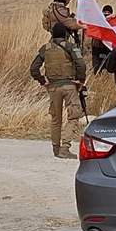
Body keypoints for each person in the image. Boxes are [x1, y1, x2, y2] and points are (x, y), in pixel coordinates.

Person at [30, 22, 87, 159]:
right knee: (74, 116)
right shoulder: (70, 46)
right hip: (69, 86)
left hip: (53, 87)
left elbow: (33, 69)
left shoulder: (45, 48)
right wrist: (80, 80)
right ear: (66, 34)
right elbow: (81, 64)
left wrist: (43, 81)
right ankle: (65, 147)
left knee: (56, 119)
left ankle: (56, 149)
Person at [91, 5, 116, 74]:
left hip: (97, 46)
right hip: (108, 47)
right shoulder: (115, 21)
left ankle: (97, 77)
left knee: (97, 66)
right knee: (107, 66)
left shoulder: (97, 19)